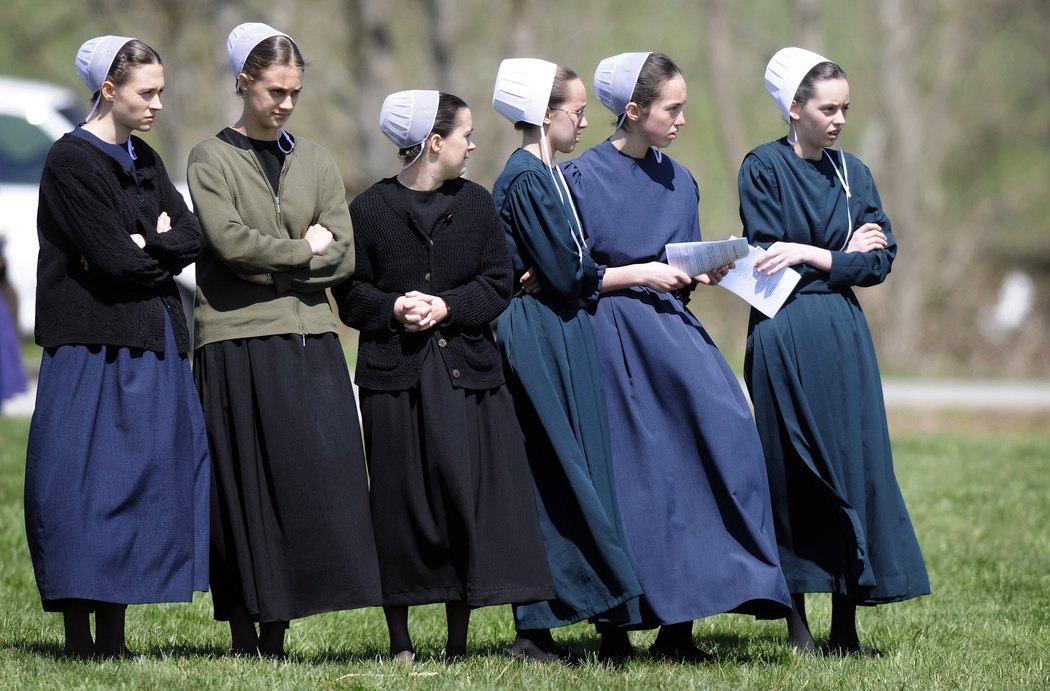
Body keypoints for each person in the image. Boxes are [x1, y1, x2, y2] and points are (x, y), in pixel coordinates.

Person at [561, 51, 791, 661]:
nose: (683, 119)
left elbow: (678, 264)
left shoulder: (680, 178)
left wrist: (699, 271)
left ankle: (682, 627)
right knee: (634, 472)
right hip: (609, 333)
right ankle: (618, 628)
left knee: (726, 431)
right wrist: (646, 273)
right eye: (674, 108)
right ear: (634, 112)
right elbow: (575, 273)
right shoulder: (580, 178)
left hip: (672, 328)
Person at [333, 90, 553, 663]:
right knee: (399, 504)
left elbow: (498, 280)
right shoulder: (369, 210)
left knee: (465, 499)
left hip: (468, 377)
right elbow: (350, 294)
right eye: (465, 135)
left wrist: (447, 307)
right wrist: (393, 310)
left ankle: (459, 640)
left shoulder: (477, 204)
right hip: (395, 380)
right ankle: (400, 643)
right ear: (435, 143)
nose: (474, 144)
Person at [187, 23, 381, 658]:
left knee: (316, 483)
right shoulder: (208, 158)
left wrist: (272, 263)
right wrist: (304, 251)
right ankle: (250, 632)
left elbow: (345, 257)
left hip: (312, 338)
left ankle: (285, 624)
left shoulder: (318, 160)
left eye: (295, 91)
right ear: (243, 82)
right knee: (246, 487)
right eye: (274, 90)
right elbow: (228, 241)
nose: (286, 103)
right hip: (235, 341)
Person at [737, 47, 929, 655]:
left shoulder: (855, 173)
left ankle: (845, 628)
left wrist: (816, 254)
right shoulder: (761, 167)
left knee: (855, 465)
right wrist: (839, 252)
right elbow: (769, 258)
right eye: (827, 108)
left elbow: (880, 259)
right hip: (783, 331)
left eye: (845, 107)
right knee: (790, 471)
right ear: (794, 109)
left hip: (846, 337)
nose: (839, 119)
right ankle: (797, 629)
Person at [24, 35, 208, 658]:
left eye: (160, 91)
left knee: (141, 483)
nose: (158, 102)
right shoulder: (71, 161)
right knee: (82, 488)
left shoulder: (146, 159)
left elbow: (192, 235)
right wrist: (151, 243)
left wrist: (147, 243)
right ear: (109, 90)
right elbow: (111, 260)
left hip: (151, 339)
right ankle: (81, 639)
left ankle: (115, 638)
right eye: (146, 91)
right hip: (91, 346)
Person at [490, 58, 641, 662]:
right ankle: (536, 630)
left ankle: (612, 619)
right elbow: (561, 270)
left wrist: (572, 276)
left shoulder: (550, 175)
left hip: (566, 327)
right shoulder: (525, 177)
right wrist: (574, 276)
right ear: (544, 114)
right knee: (553, 471)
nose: (583, 123)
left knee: (589, 469)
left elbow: (565, 271)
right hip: (538, 335)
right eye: (575, 113)